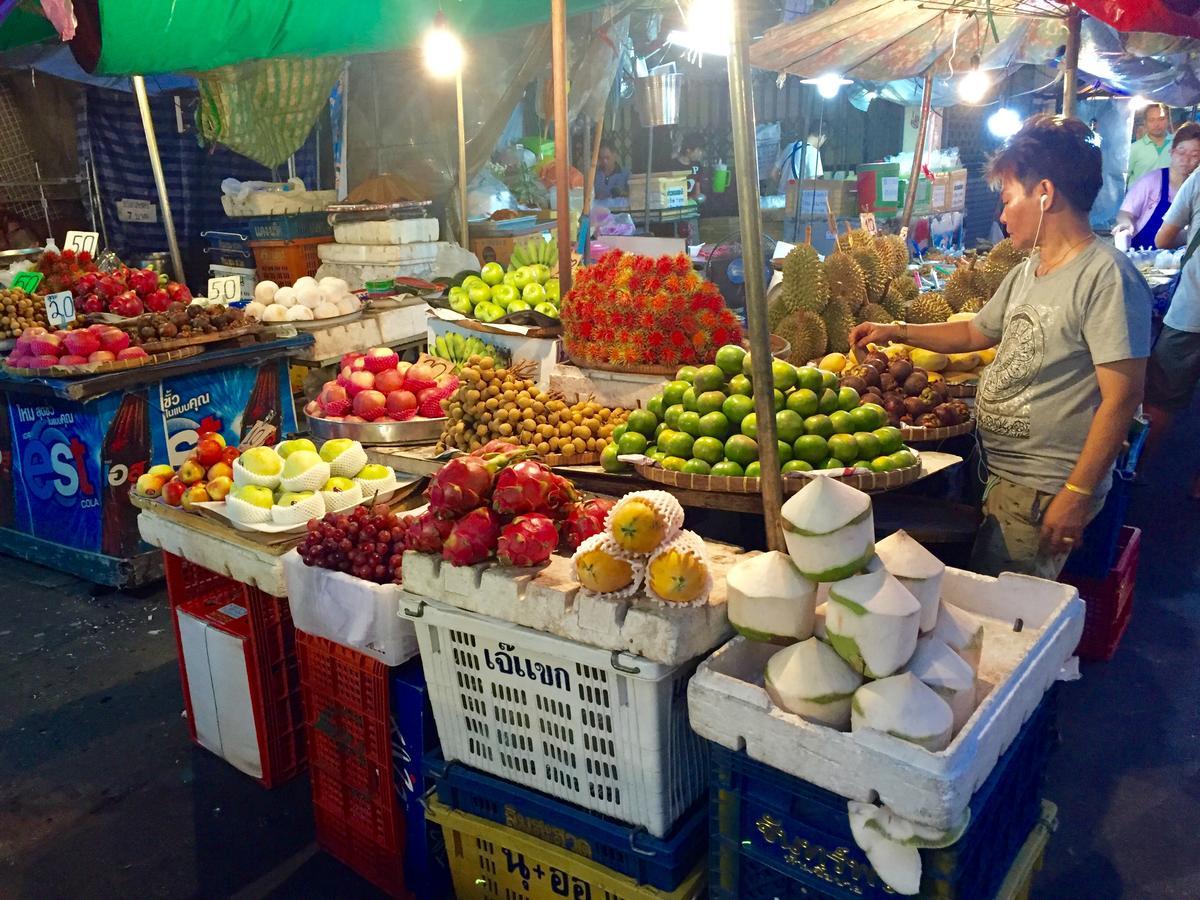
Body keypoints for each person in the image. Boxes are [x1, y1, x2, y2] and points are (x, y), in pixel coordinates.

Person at [850, 115, 1151, 579]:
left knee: (1007, 615)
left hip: (1043, 488)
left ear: (1045, 194)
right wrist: (896, 330)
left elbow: (1123, 397)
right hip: (999, 473)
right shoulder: (1029, 270)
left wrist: (1077, 491)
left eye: (1008, 198)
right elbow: (974, 335)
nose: (1002, 214)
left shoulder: (1106, 276)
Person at [1145, 163, 1200, 497]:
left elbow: (1163, 238)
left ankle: (1135, 468)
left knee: (1161, 396)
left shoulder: (1198, 177)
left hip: (1192, 307)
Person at [1115, 122, 1200, 249]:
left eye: (1194, 155)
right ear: (1172, 151)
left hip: (1172, 262)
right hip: (1139, 255)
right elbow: (1125, 213)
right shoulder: (1152, 180)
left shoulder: (1194, 189)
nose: (1186, 159)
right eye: (1181, 152)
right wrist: (1126, 224)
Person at [770, 131, 826, 196]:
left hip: (780, 199)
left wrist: (782, 187)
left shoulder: (790, 146)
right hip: (795, 200)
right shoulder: (813, 152)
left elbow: (773, 174)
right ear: (822, 137)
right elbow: (812, 183)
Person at [1128, 104, 1173, 183]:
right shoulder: (1134, 148)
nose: (1157, 124)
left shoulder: (1178, 145)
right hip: (1141, 195)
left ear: (1168, 120)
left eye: (1161, 119)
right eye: (1152, 120)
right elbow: (1123, 178)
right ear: (1145, 122)